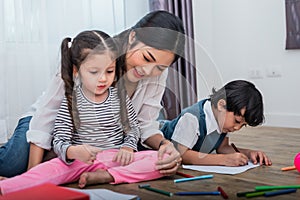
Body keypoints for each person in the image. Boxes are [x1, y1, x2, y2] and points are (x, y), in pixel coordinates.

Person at [0, 10, 185, 178]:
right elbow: (46, 115)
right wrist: (31, 175)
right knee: (13, 165)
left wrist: (165, 145)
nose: (147, 70)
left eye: (160, 67)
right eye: (146, 58)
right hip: (48, 122)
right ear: (132, 37)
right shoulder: (92, 56)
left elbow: (144, 125)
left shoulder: (158, 74)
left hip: (93, 137)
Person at [160, 80, 272, 166]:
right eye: (237, 121)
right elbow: (180, 154)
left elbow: (222, 148)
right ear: (221, 105)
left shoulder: (223, 122)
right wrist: (223, 160)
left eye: (243, 125)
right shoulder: (192, 118)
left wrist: (248, 153)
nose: (237, 128)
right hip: (153, 140)